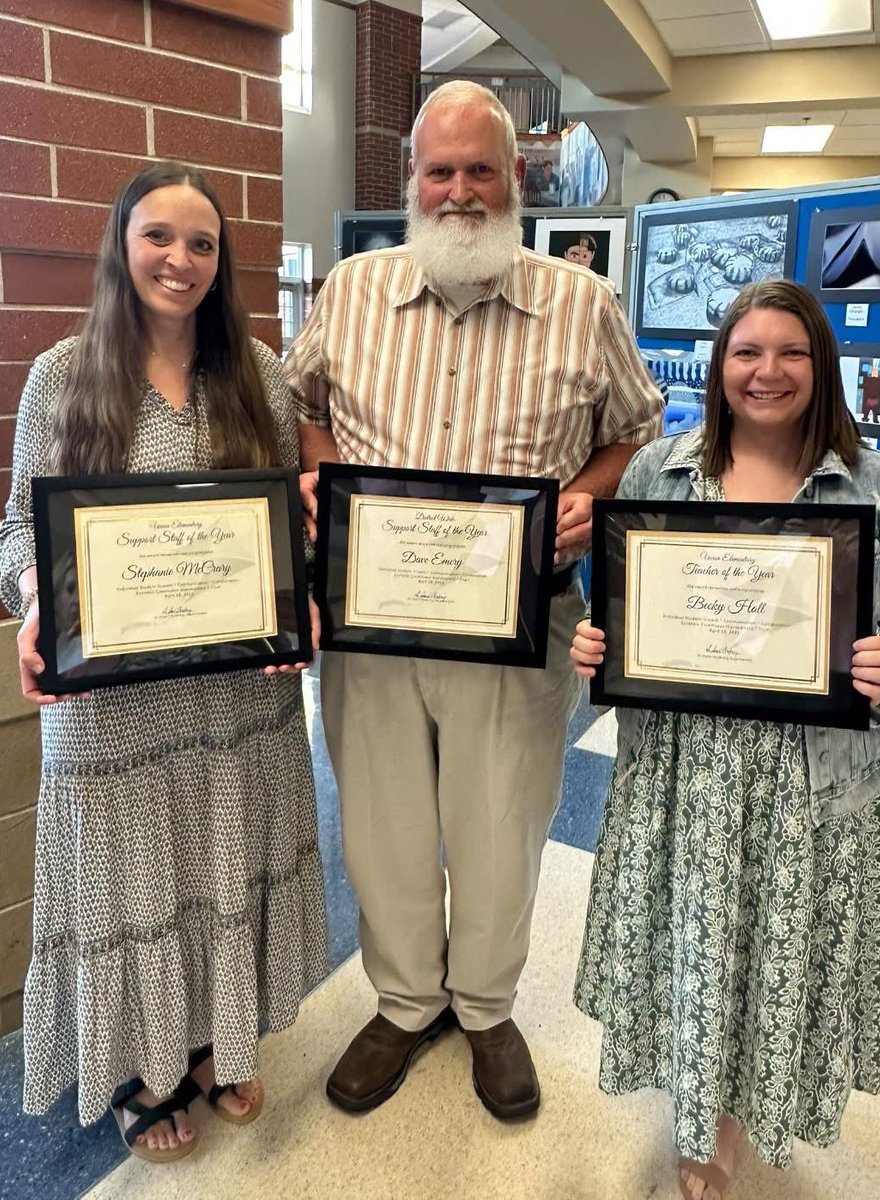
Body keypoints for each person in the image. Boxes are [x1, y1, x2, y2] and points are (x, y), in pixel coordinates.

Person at [285, 79, 664, 1120]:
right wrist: (321, 474)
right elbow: (299, 406)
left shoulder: (581, 303)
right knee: (383, 820)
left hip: (520, 618)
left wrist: (587, 495)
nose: (458, 191)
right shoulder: (353, 290)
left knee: (501, 826)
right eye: (438, 170)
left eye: (479, 170)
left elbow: (637, 427)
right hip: (373, 619)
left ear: (516, 179)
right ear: (411, 180)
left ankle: (487, 1007)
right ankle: (406, 1003)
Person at [570, 279, 880, 1199]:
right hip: (683, 771)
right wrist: (599, 643)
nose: (767, 372)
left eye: (790, 352)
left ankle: (739, 1116)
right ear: (720, 367)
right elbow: (622, 608)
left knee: (773, 955)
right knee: (696, 949)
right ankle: (699, 1121)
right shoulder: (659, 472)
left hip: (811, 784)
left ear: (821, 366)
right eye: (747, 352)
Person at [0, 161, 329, 1162]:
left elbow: (284, 529)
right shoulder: (61, 374)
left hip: (237, 695)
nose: (179, 260)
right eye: (158, 237)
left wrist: (297, 598)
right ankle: (144, 1068)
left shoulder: (260, 373)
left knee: (225, 866)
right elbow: (20, 524)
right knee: (134, 879)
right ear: (120, 245)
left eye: (201, 244)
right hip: (110, 705)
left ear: (219, 263)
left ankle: (222, 1043)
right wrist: (28, 608)